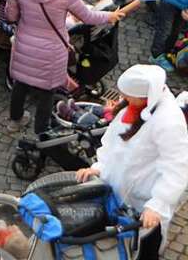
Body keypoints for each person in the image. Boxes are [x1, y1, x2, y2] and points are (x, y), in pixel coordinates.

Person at [4, 0, 124, 134]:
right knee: (46, 92)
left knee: (21, 85)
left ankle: (14, 121)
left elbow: (10, 15)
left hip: (24, 44)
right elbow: (87, 16)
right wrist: (109, 16)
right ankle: (42, 132)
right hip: (52, 50)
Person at [76, 64, 188, 260]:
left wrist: (157, 205)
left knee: (145, 249)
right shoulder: (133, 107)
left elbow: (177, 167)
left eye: (128, 94)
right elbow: (112, 142)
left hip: (143, 205)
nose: (123, 98)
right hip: (118, 194)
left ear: (145, 96)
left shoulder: (169, 121)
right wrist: (99, 167)